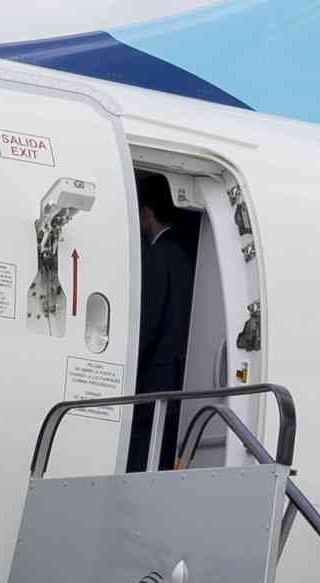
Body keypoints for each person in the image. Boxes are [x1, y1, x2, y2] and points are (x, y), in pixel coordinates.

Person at [125, 172, 197, 470]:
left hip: (154, 375)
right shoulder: (183, 254)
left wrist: (128, 361)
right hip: (176, 374)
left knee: (143, 454)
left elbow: (150, 320)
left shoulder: (159, 254)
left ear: (147, 212)